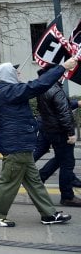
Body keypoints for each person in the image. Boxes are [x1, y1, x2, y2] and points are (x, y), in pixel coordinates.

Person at [0, 60, 76, 227]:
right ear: (7, 75)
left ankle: (49, 214)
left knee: (34, 182)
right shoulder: (8, 91)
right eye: (15, 71)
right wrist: (62, 67)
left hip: (21, 144)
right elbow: (37, 86)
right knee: (8, 181)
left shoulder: (6, 90)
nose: (18, 74)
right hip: (16, 145)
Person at [35, 64, 81, 207]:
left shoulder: (43, 87)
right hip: (60, 132)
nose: (63, 74)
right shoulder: (56, 89)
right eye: (60, 72)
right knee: (67, 163)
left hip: (51, 130)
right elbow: (64, 113)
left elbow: (57, 109)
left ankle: (40, 178)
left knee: (60, 159)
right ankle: (67, 196)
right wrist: (70, 133)